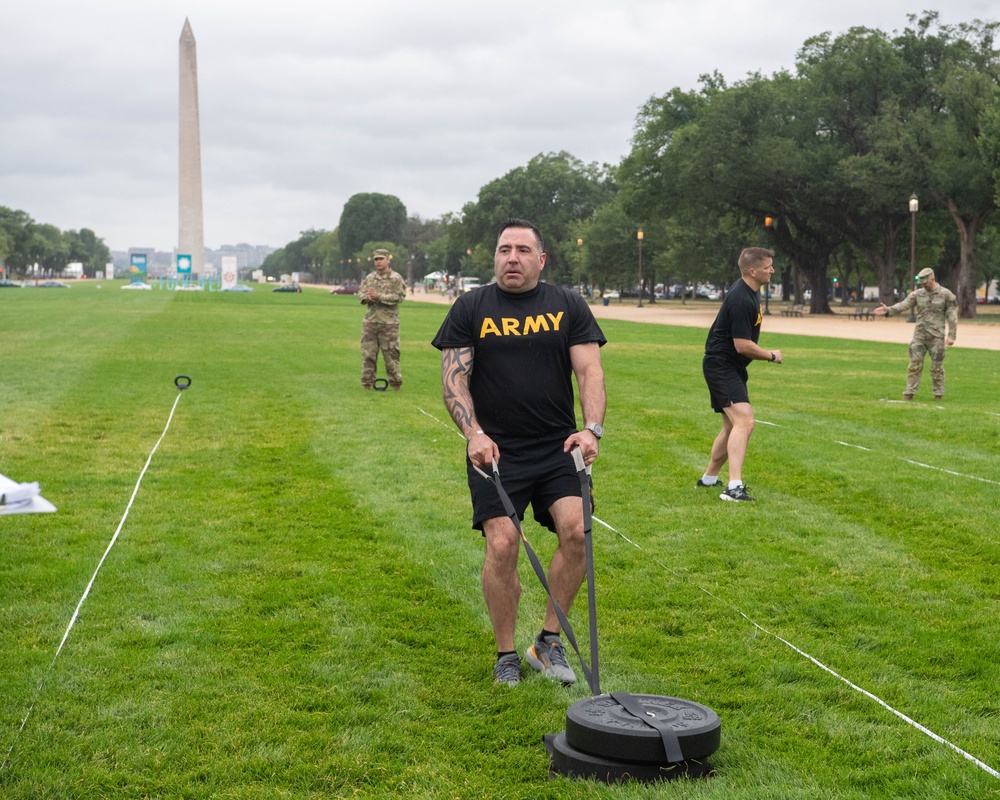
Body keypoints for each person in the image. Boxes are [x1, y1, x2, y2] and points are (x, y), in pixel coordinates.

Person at [431, 217, 607, 687]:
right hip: (496, 452)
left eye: (523, 250)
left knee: (577, 533)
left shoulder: (567, 304)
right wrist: (473, 433)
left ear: (541, 259)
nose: (512, 257)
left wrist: (591, 429)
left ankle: (547, 643)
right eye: (504, 249)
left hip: (558, 445)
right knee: (504, 543)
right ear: (494, 257)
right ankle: (506, 653)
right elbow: (455, 378)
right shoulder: (471, 306)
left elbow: (589, 371)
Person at [697, 247, 782, 502]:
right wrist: (770, 355)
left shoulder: (749, 293)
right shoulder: (741, 299)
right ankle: (734, 488)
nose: (772, 270)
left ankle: (709, 478)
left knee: (731, 425)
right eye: (768, 266)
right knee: (745, 421)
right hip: (721, 365)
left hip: (728, 366)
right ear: (752, 271)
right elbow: (741, 345)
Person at [873, 267, 957, 400]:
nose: (923, 285)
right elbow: (903, 305)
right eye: (921, 283)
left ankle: (938, 394)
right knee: (914, 365)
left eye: (926, 282)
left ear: (932, 279)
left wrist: (952, 335)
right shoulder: (917, 294)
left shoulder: (947, 295)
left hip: (936, 337)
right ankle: (909, 393)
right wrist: (888, 310)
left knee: (937, 368)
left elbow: (952, 316)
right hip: (919, 336)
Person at [358, 248, 406, 390]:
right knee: (368, 355)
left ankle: (396, 384)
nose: (378, 262)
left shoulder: (396, 278)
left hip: (389, 323)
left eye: (381, 259)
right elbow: (360, 294)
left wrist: (379, 296)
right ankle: (367, 384)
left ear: (388, 260)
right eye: (376, 259)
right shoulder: (370, 278)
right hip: (370, 322)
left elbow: (399, 297)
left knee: (391, 356)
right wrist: (368, 297)